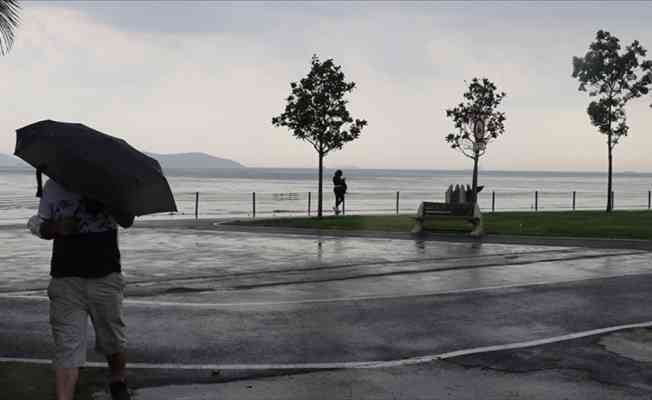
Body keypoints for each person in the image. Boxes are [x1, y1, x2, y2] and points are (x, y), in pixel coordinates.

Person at [27, 177, 134, 400]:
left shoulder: (110, 185)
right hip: (65, 280)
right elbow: (39, 224)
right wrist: (57, 227)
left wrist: (107, 202)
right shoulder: (53, 186)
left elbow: (127, 220)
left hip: (105, 277)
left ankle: (118, 380)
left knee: (112, 338)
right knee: (67, 346)